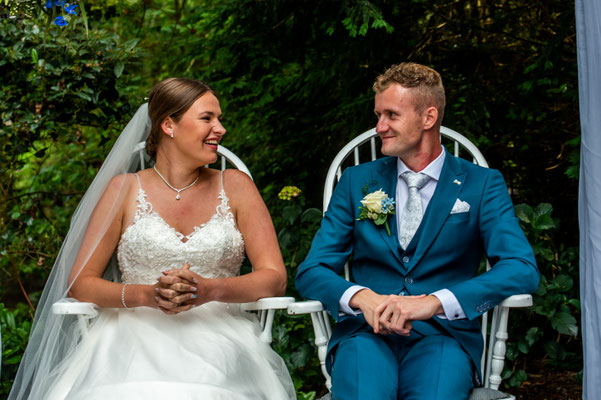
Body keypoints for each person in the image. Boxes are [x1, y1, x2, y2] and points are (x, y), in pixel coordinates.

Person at [9, 78, 295, 399]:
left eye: (220, 119)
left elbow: (274, 279)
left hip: (221, 334)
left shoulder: (236, 185)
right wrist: (149, 296)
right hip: (127, 338)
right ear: (168, 124)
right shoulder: (123, 189)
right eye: (207, 118)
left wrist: (210, 289)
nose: (220, 128)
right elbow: (81, 283)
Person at [295, 63, 540, 399]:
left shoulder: (481, 185)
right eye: (378, 115)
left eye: (391, 115)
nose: (379, 127)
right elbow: (312, 270)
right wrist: (360, 297)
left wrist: (435, 302)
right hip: (365, 336)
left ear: (428, 118)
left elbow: (521, 268)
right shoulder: (355, 182)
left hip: (444, 337)